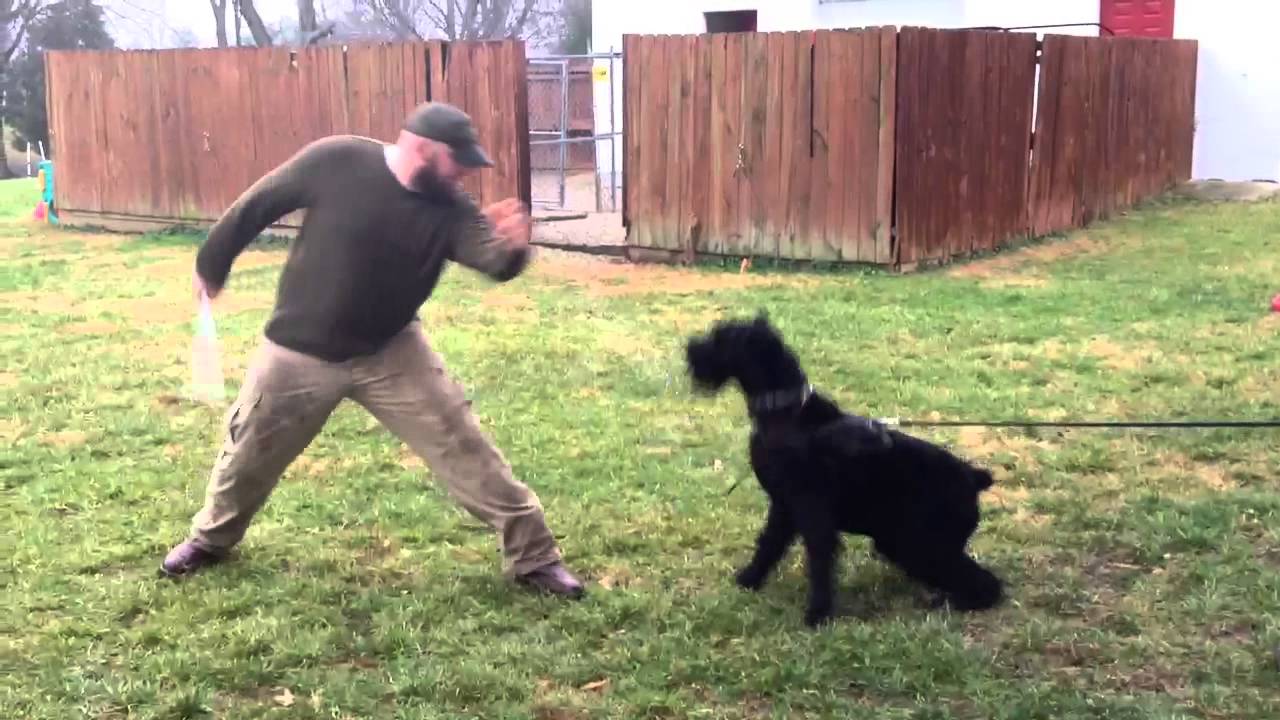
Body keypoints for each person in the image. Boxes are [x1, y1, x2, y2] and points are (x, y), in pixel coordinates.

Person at [160, 101, 585, 599]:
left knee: (464, 444)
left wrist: (513, 249)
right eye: (458, 159)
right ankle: (210, 539)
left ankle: (535, 557)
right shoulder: (338, 160)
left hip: (391, 350)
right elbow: (260, 202)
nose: (465, 171)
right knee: (249, 450)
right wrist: (213, 263)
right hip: (298, 351)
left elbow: (491, 260)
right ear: (423, 148)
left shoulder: (451, 208)